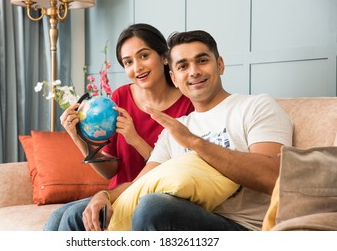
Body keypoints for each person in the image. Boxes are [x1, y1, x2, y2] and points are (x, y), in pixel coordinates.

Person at [59, 29, 293, 231]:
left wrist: (195, 143)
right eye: (183, 66)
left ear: (219, 64)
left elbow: (273, 176)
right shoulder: (173, 129)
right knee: (74, 214)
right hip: (183, 214)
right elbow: (141, 182)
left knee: (153, 206)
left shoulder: (256, 106)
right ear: (174, 76)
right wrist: (106, 196)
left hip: (242, 226)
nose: (193, 72)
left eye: (202, 61)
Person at [43, 23, 194, 230]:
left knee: (72, 216)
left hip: (152, 200)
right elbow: (110, 171)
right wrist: (78, 137)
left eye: (143, 56)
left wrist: (135, 139)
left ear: (164, 57)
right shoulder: (121, 96)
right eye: (128, 62)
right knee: (58, 216)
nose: (137, 67)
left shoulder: (188, 104)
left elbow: (175, 173)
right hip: (118, 194)